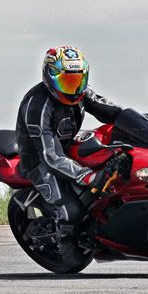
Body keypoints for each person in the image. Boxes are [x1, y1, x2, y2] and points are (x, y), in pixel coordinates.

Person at [15, 46, 122, 251]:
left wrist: (141, 121)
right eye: (66, 81)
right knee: (72, 212)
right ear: (50, 77)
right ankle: (65, 246)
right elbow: (51, 156)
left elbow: (110, 110)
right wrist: (85, 175)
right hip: (39, 160)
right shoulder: (38, 105)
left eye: (77, 80)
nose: (73, 89)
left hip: (66, 148)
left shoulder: (80, 93)